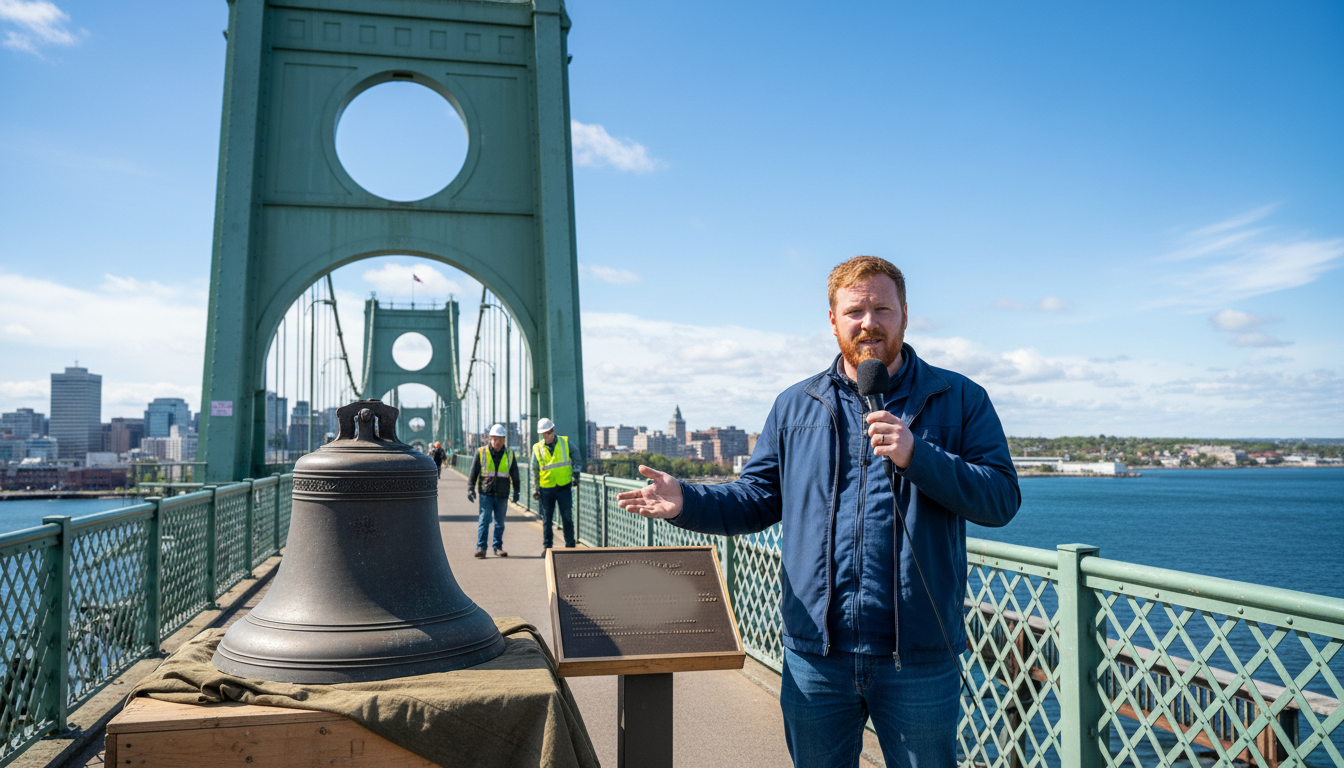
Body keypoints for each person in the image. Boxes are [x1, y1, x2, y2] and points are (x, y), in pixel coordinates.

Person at [617, 256, 1020, 767]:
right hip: (816, 655)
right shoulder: (795, 404)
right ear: (833, 320)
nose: (868, 322)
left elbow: (1000, 499)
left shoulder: (959, 398)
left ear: (904, 313)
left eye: (882, 309)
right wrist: (687, 501)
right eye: (854, 311)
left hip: (919, 655)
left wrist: (919, 455)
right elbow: (756, 499)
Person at [466, 424, 519, 558]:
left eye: (500, 439)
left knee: (500, 523)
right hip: (486, 493)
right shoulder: (481, 452)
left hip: (502, 494)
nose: (497, 442)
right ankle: (481, 548)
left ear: (504, 440)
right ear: (490, 438)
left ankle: (498, 547)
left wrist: (516, 491)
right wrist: (470, 488)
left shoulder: (509, 454)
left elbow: (515, 474)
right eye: (495, 439)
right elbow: (473, 471)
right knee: (484, 520)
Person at [530, 417, 576, 549]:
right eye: (543, 434)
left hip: (564, 486)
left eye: (548, 433)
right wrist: (535, 488)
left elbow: (576, 455)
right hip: (546, 488)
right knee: (547, 520)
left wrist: (576, 473)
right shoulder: (537, 448)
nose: (546, 437)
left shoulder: (564, 442)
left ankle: (570, 546)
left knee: (567, 517)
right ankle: (547, 548)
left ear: (553, 430)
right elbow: (533, 469)